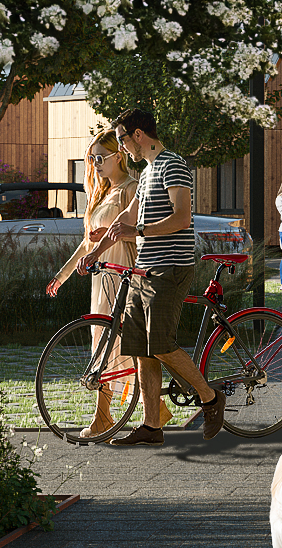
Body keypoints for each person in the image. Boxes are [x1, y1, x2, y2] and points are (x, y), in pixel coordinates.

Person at [69, 106, 223, 446]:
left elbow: (182, 218)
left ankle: (210, 398)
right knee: (140, 348)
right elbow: (127, 215)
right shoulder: (150, 171)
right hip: (144, 269)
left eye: (123, 140)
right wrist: (94, 252)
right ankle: (152, 427)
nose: (123, 148)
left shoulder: (173, 165)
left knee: (161, 344)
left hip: (170, 267)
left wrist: (138, 230)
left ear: (138, 135)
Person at [44, 132, 138, 442]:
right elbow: (88, 243)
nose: (95, 164)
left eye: (100, 158)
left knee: (120, 346)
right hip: (102, 276)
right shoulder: (104, 192)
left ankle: (113, 416)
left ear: (118, 157)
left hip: (123, 273)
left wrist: (112, 236)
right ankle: (107, 416)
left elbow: (140, 234)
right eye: (92, 159)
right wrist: (61, 275)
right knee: (104, 343)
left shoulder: (131, 189)